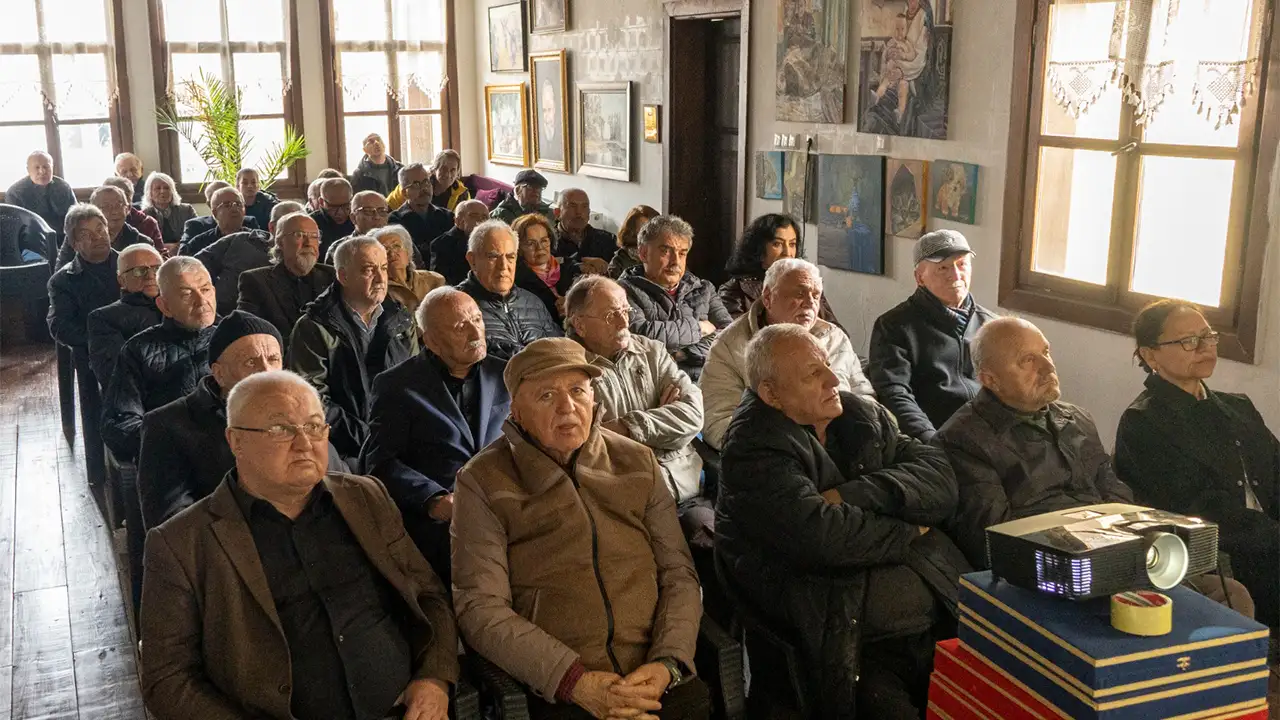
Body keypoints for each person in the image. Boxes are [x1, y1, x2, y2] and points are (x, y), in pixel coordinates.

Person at [139, 370, 459, 720]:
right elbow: (167, 679)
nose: (304, 443)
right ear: (236, 442)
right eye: (281, 429)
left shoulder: (365, 496)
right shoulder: (181, 542)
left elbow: (428, 594)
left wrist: (434, 677)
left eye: (314, 426)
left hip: (405, 709)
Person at [452, 338, 710, 720]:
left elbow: (679, 574)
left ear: (593, 397)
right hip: (561, 685)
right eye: (546, 396)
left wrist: (669, 661)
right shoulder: (482, 481)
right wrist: (575, 681)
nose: (567, 407)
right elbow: (480, 608)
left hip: (655, 676)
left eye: (577, 390)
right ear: (517, 412)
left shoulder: (636, 461)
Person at [716, 324, 963, 719]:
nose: (834, 379)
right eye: (814, 374)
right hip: (847, 637)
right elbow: (824, 537)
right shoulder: (753, 447)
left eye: (828, 365)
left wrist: (854, 495)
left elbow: (940, 480)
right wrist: (910, 528)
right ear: (771, 394)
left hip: (934, 612)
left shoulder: (858, 413)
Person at [1115, 300, 1279, 629]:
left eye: (1209, 336)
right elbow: (1194, 508)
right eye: (1189, 341)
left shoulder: (1237, 407)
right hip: (1224, 553)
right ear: (1150, 355)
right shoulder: (1143, 422)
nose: (1204, 348)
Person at [361, 287, 509, 583]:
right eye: (460, 326)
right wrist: (433, 499)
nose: (475, 332)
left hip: (506, 506)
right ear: (431, 340)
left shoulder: (505, 373)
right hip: (445, 521)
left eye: (477, 319)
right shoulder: (397, 385)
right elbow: (380, 461)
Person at [565, 276, 709, 540]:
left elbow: (693, 414)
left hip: (686, 488)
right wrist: (663, 422)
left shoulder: (652, 351)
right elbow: (586, 445)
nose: (624, 322)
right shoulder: (569, 371)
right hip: (625, 504)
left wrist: (626, 427)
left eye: (625, 311)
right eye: (611, 316)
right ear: (580, 324)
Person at [700, 258, 873, 450]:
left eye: (816, 296)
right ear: (768, 298)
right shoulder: (730, 346)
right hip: (776, 455)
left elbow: (865, 399)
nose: (810, 303)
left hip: (846, 448)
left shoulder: (834, 338)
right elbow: (718, 423)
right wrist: (801, 446)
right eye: (799, 293)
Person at [289, 236, 418, 461]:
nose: (381, 278)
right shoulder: (314, 327)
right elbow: (312, 399)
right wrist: (368, 439)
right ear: (343, 276)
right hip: (343, 446)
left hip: (402, 440)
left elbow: (419, 383)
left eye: (384, 268)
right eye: (369, 270)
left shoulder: (402, 319)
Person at [867, 230, 996, 441]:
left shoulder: (992, 325)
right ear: (920, 278)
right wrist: (929, 440)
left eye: (962, 264)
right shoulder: (894, 326)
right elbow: (894, 393)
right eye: (943, 267)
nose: (955, 275)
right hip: (935, 436)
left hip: (991, 436)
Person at [102, 256, 219, 464]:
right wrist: (172, 445)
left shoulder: (234, 340)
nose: (202, 301)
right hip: (173, 461)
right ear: (164, 305)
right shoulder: (138, 350)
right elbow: (120, 422)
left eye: (206, 289)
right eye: (186, 294)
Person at [47, 203, 120, 487]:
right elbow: (59, 325)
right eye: (87, 234)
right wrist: (98, 343)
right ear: (76, 244)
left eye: (100, 228)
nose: (99, 236)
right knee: (93, 392)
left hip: (137, 344)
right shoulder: (63, 280)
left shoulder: (130, 263)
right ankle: (98, 473)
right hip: (94, 352)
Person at [618, 215, 732, 381]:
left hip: (706, 381)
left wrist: (683, 354)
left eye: (682, 253)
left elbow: (729, 335)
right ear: (643, 253)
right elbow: (641, 335)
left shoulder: (703, 289)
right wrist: (699, 329)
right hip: (654, 384)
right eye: (665, 251)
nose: (675, 262)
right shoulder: (622, 291)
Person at [458, 220, 562, 361]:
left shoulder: (532, 302)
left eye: (510, 257)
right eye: (493, 257)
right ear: (472, 260)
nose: (503, 266)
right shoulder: (457, 308)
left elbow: (561, 350)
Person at [719, 214, 842, 328]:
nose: (787, 253)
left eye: (792, 244)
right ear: (759, 250)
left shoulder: (809, 285)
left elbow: (837, 333)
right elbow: (735, 340)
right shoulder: (734, 292)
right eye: (777, 244)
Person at [236, 212, 338, 339]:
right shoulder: (255, 280)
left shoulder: (333, 276)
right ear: (280, 242)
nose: (308, 243)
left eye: (314, 236)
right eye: (299, 235)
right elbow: (248, 328)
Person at [198, 200, 298, 315]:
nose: (299, 236)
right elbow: (195, 266)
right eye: (293, 228)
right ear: (272, 227)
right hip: (218, 315)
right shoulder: (241, 240)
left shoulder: (303, 257)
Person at [87, 243, 164, 388]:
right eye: (139, 271)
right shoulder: (103, 318)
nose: (150, 276)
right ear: (121, 280)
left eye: (157, 268)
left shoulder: (181, 303)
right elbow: (115, 377)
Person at [56, 185, 147, 267]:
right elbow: (61, 273)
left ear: (127, 209)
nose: (114, 211)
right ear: (94, 210)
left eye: (119, 205)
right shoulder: (77, 238)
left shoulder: (141, 241)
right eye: (106, 206)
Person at [514, 212, 580, 322]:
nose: (539, 248)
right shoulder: (517, 281)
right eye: (531, 243)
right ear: (519, 248)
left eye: (544, 241)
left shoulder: (570, 269)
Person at [388, 164, 455, 263]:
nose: (424, 188)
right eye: (416, 184)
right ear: (404, 193)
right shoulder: (395, 221)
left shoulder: (447, 216)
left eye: (426, 182)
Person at [7, 150, 76, 244]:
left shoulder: (63, 187)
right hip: (32, 242)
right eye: (37, 167)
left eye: (46, 167)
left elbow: (76, 216)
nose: (42, 171)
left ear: (52, 167)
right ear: (28, 170)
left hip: (65, 239)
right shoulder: (15, 193)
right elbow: (14, 229)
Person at [371, 225, 444, 312]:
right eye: (385, 249)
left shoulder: (434, 280)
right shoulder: (375, 288)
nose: (392, 253)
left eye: (396, 246)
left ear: (408, 251)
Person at [179, 181, 260, 247]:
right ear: (212, 207)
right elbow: (184, 260)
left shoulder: (250, 224)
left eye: (238, 203)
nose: (234, 208)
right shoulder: (197, 228)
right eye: (226, 204)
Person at [430, 199, 489, 285]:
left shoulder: (492, 241)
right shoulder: (441, 245)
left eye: (485, 217)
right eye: (474, 216)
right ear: (458, 221)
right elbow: (440, 283)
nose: (480, 220)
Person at [555, 188, 616, 266]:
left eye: (584, 206)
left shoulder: (607, 240)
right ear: (557, 212)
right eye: (572, 206)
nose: (579, 212)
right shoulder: (546, 242)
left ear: (589, 212)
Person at [101, 176, 164, 249]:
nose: (114, 210)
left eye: (125, 195)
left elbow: (161, 256)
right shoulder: (94, 223)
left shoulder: (147, 223)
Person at [141, 171, 196, 254]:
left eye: (166, 188)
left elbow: (195, 233)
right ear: (150, 193)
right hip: (156, 255)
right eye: (158, 188)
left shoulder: (187, 210)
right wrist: (162, 247)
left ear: (173, 192)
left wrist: (178, 246)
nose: (162, 191)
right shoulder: (144, 215)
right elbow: (143, 242)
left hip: (183, 252)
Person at [608, 204, 658, 279]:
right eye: (643, 230)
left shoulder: (662, 255)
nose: (650, 235)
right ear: (632, 232)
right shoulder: (619, 262)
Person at [311, 177, 355, 259]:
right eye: (333, 207)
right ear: (321, 202)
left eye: (345, 206)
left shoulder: (359, 220)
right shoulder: (311, 224)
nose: (340, 212)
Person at [490, 169, 554, 225]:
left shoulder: (547, 211)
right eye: (530, 187)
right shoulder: (501, 214)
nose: (536, 191)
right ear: (517, 190)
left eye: (539, 188)